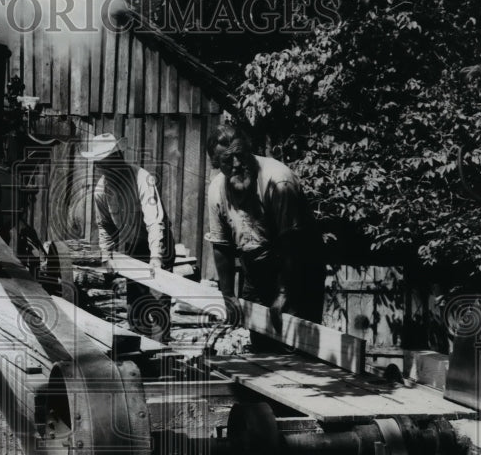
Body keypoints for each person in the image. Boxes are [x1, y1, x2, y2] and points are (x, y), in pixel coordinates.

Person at [205, 125, 324, 348]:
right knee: (262, 343)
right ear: (216, 163)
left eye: (241, 155)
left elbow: (293, 242)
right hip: (257, 267)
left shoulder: (278, 181)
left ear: (250, 150)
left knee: (298, 343)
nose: (237, 165)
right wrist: (228, 295)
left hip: (298, 265)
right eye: (227, 160)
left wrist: (283, 293)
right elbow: (221, 246)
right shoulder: (216, 190)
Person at [80, 133, 176, 341]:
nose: (107, 168)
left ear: (120, 157)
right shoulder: (101, 191)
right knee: (135, 303)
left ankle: (161, 348)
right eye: (102, 165)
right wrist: (107, 257)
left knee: (158, 300)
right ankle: (139, 350)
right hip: (133, 245)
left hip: (159, 243)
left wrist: (156, 259)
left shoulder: (142, 178)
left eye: (111, 162)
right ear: (98, 166)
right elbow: (105, 225)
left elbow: (154, 221)